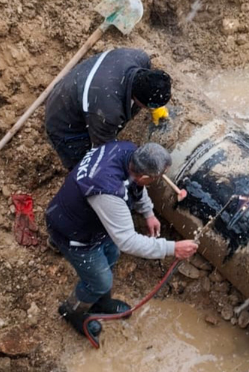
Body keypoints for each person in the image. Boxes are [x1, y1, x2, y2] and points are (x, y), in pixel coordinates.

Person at [46, 141, 198, 342]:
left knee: (111, 254)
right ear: (144, 176)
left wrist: (148, 212)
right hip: (74, 233)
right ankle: (72, 311)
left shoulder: (129, 153)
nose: (159, 180)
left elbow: (136, 187)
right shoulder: (106, 191)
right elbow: (127, 241)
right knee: (100, 281)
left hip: (96, 223)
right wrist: (173, 248)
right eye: (157, 178)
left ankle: (101, 302)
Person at [44, 47, 172, 170]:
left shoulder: (139, 58)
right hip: (63, 119)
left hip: (80, 85)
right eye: (151, 106)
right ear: (139, 99)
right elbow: (104, 150)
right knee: (90, 167)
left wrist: (155, 107)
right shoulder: (108, 112)